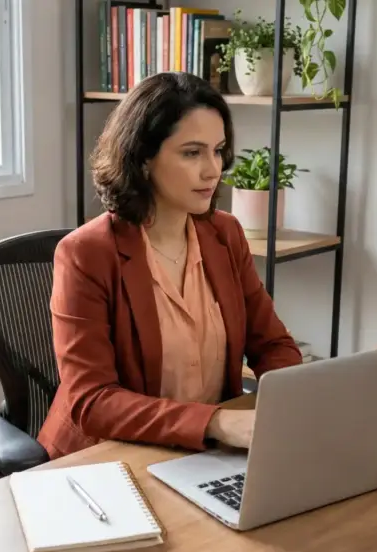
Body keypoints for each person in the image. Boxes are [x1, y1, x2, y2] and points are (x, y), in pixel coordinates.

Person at [36, 72, 302, 460]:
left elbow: (272, 343)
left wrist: (294, 402)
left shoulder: (225, 235)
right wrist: (215, 423)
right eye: (192, 153)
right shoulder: (86, 254)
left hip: (202, 457)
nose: (213, 170)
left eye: (218, 150)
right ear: (143, 159)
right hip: (106, 462)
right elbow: (90, 400)